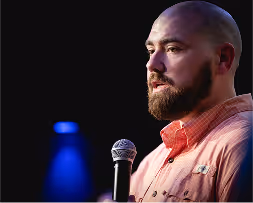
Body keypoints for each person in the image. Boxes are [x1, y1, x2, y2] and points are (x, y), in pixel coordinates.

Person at [98, 1, 253, 202]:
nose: (151, 64)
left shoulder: (243, 145)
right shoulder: (151, 162)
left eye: (172, 48)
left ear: (222, 58)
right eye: (151, 51)